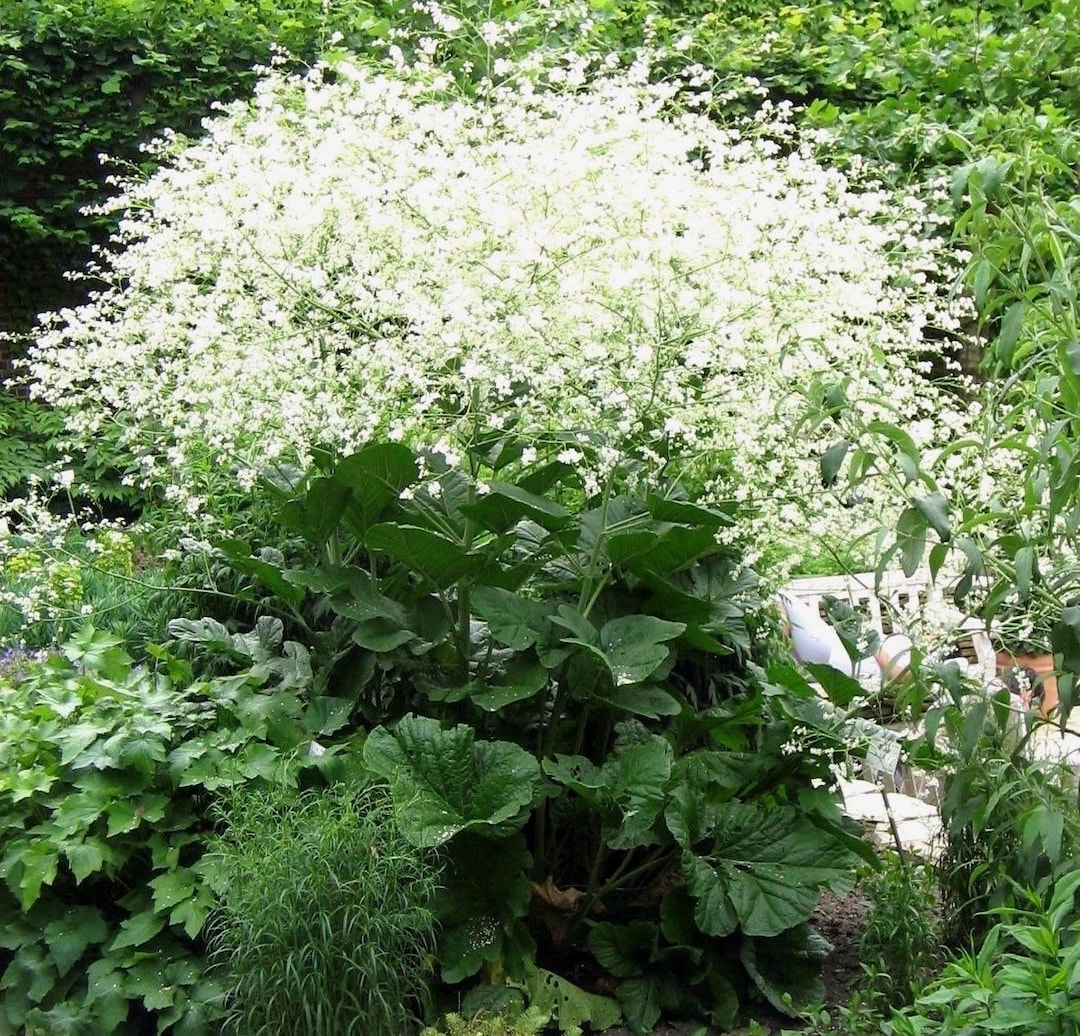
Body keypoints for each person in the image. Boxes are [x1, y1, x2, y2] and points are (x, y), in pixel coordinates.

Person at [778, 592, 912, 685]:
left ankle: (777, 658)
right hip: (834, 651)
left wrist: (872, 643)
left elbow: (897, 675)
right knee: (778, 598)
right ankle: (777, 658)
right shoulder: (911, 646)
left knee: (781, 597)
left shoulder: (924, 663)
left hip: (836, 657)